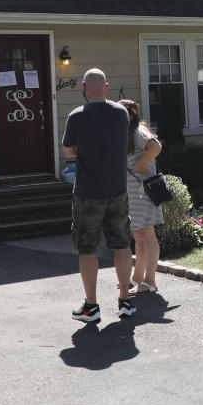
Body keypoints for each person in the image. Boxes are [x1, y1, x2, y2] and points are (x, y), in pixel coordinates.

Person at [62, 68, 136, 323]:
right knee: (122, 244)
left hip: (87, 193)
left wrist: (82, 150)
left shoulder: (76, 116)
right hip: (117, 189)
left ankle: (91, 307)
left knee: (87, 248)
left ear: (83, 86)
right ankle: (125, 300)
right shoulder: (121, 113)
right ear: (106, 87)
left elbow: (68, 151)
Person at [121, 99, 164, 295]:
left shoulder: (138, 130)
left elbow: (155, 146)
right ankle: (138, 277)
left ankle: (150, 282)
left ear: (130, 115)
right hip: (133, 191)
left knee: (147, 234)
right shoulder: (127, 132)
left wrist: (139, 165)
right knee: (138, 234)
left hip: (142, 190)